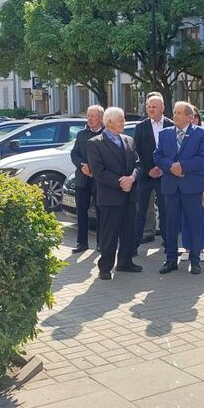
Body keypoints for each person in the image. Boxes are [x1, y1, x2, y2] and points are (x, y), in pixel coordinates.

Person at [154, 102, 204, 275]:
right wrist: (172, 166)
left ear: (190, 117)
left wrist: (183, 166)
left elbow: (203, 158)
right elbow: (157, 155)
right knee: (171, 224)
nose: (175, 116)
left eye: (179, 113)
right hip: (171, 186)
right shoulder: (164, 134)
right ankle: (171, 260)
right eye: (174, 112)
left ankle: (195, 260)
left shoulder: (202, 134)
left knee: (193, 224)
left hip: (191, 187)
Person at [86, 107, 143, 280]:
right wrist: (121, 182)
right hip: (111, 197)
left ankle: (125, 262)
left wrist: (132, 179)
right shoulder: (95, 143)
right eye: (121, 120)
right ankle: (105, 267)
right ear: (109, 122)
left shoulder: (128, 140)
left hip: (129, 194)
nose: (124, 123)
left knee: (128, 231)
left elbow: (138, 164)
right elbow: (98, 171)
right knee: (109, 234)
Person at [133, 93, 175, 254]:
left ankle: (167, 243)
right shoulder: (141, 127)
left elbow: (173, 150)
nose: (151, 109)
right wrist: (149, 168)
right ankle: (135, 245)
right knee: (141, 211)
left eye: (154, 107)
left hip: (165, 175)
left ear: (162, 108)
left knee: (166, 210)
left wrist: (162, 168)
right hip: (145, 175)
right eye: (149, 107)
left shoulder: (171, 126)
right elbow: (136, 151)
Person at [70, 105, 105, 253]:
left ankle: (100, 243)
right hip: (82, 178)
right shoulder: (81, 134)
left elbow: (107, 157)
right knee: (81, 211)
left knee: (100, 211)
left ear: (101, 118)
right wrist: (82, 166)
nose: (89, 119)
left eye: (93, 116)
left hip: (99, 179)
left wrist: (92, 168)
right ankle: (81, 243)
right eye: (88, 116)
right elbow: (74, 153)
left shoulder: (106, 134)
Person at [182, 105, 204, 262]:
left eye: (195, 116)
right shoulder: (181, 136)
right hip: (184, 183)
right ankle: (187, 248)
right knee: (185, 217)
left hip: (200, 183)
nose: (193, 119)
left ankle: (200, 248)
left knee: (200, 217)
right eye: (190, 116)